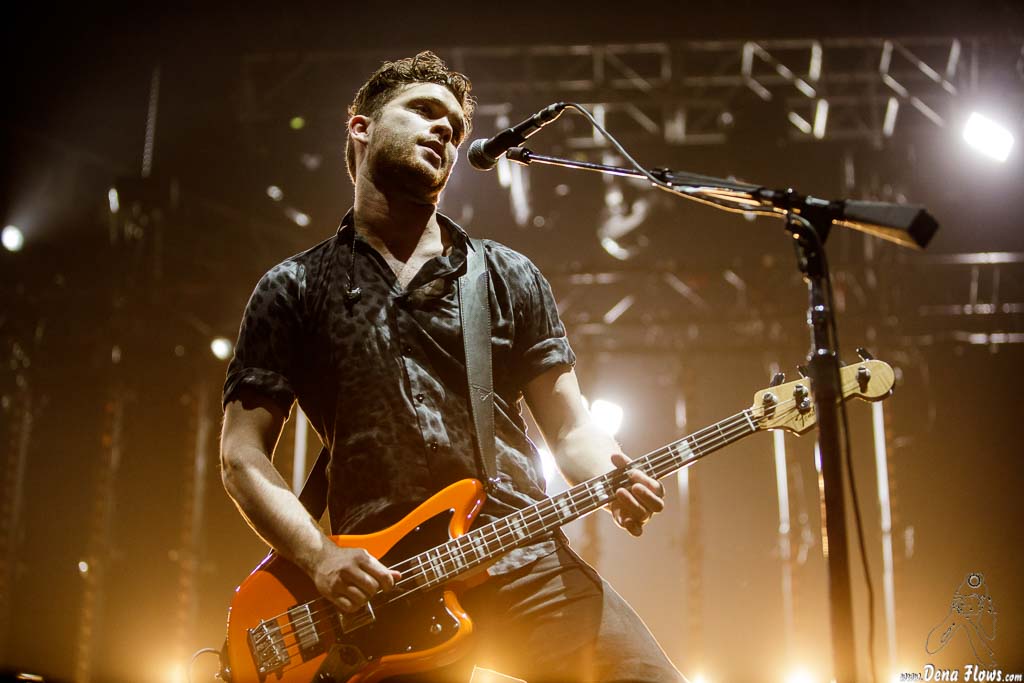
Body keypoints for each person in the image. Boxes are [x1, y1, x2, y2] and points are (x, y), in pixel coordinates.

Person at [220, 51, 685, 683]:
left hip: (521, 555)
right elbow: (241, 455)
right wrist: (319, 556)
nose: (444, 129)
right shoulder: (294, 287)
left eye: (456, 127)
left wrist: (612, 473)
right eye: (423, 110)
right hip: (383, 592)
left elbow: (571, 428)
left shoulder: (506, 274)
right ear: (360, 128)